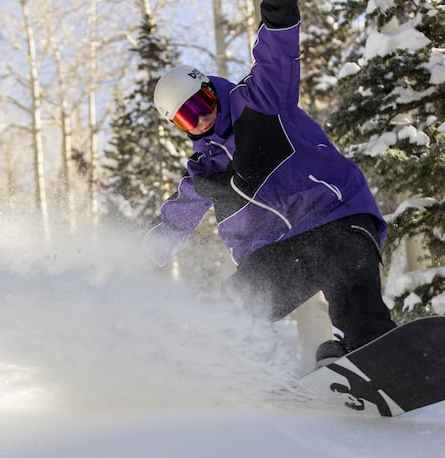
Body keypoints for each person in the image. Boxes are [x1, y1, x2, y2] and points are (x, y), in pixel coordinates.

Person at [144, 0, 396, 371]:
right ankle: (240, 380)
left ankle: (373, 354)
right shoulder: (205, 171)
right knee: (237, 304)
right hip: (281, 252)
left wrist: (277, 11)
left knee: (353, 290)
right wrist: (138, 259)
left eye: (201, 103)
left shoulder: (261, 99)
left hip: (337, 216)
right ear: (179, 127)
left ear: (210, 89)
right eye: (187, 118)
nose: (200, 119)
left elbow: (278, 47)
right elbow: (174, 221)